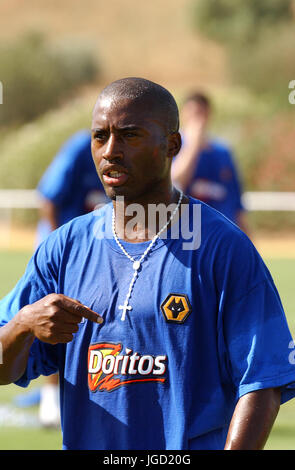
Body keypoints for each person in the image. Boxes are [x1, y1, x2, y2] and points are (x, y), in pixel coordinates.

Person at [0, 77, 295, 450]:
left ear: (172, 145)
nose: (110, 151)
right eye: (100, 136)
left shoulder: (224, 248)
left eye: (129, 135)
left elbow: (263, 382)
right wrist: (24, 324)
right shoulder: (64, 247)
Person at [17, 130, 107, 427]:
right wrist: (62, 249)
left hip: (96, 253)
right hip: (62, 254)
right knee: (56, 323)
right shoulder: (78, 149)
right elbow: (48, 198)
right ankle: (50, 401)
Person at [172, 92, 247, 232]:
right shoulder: (174, 146)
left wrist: (248, 238)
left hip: (223, 230)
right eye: (192, 113)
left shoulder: (223, 151)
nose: (197, 118)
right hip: (191, 230)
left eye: (201, 113)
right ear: (183, 114)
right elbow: (177, 179)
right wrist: (193, 145)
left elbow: (235, 200)